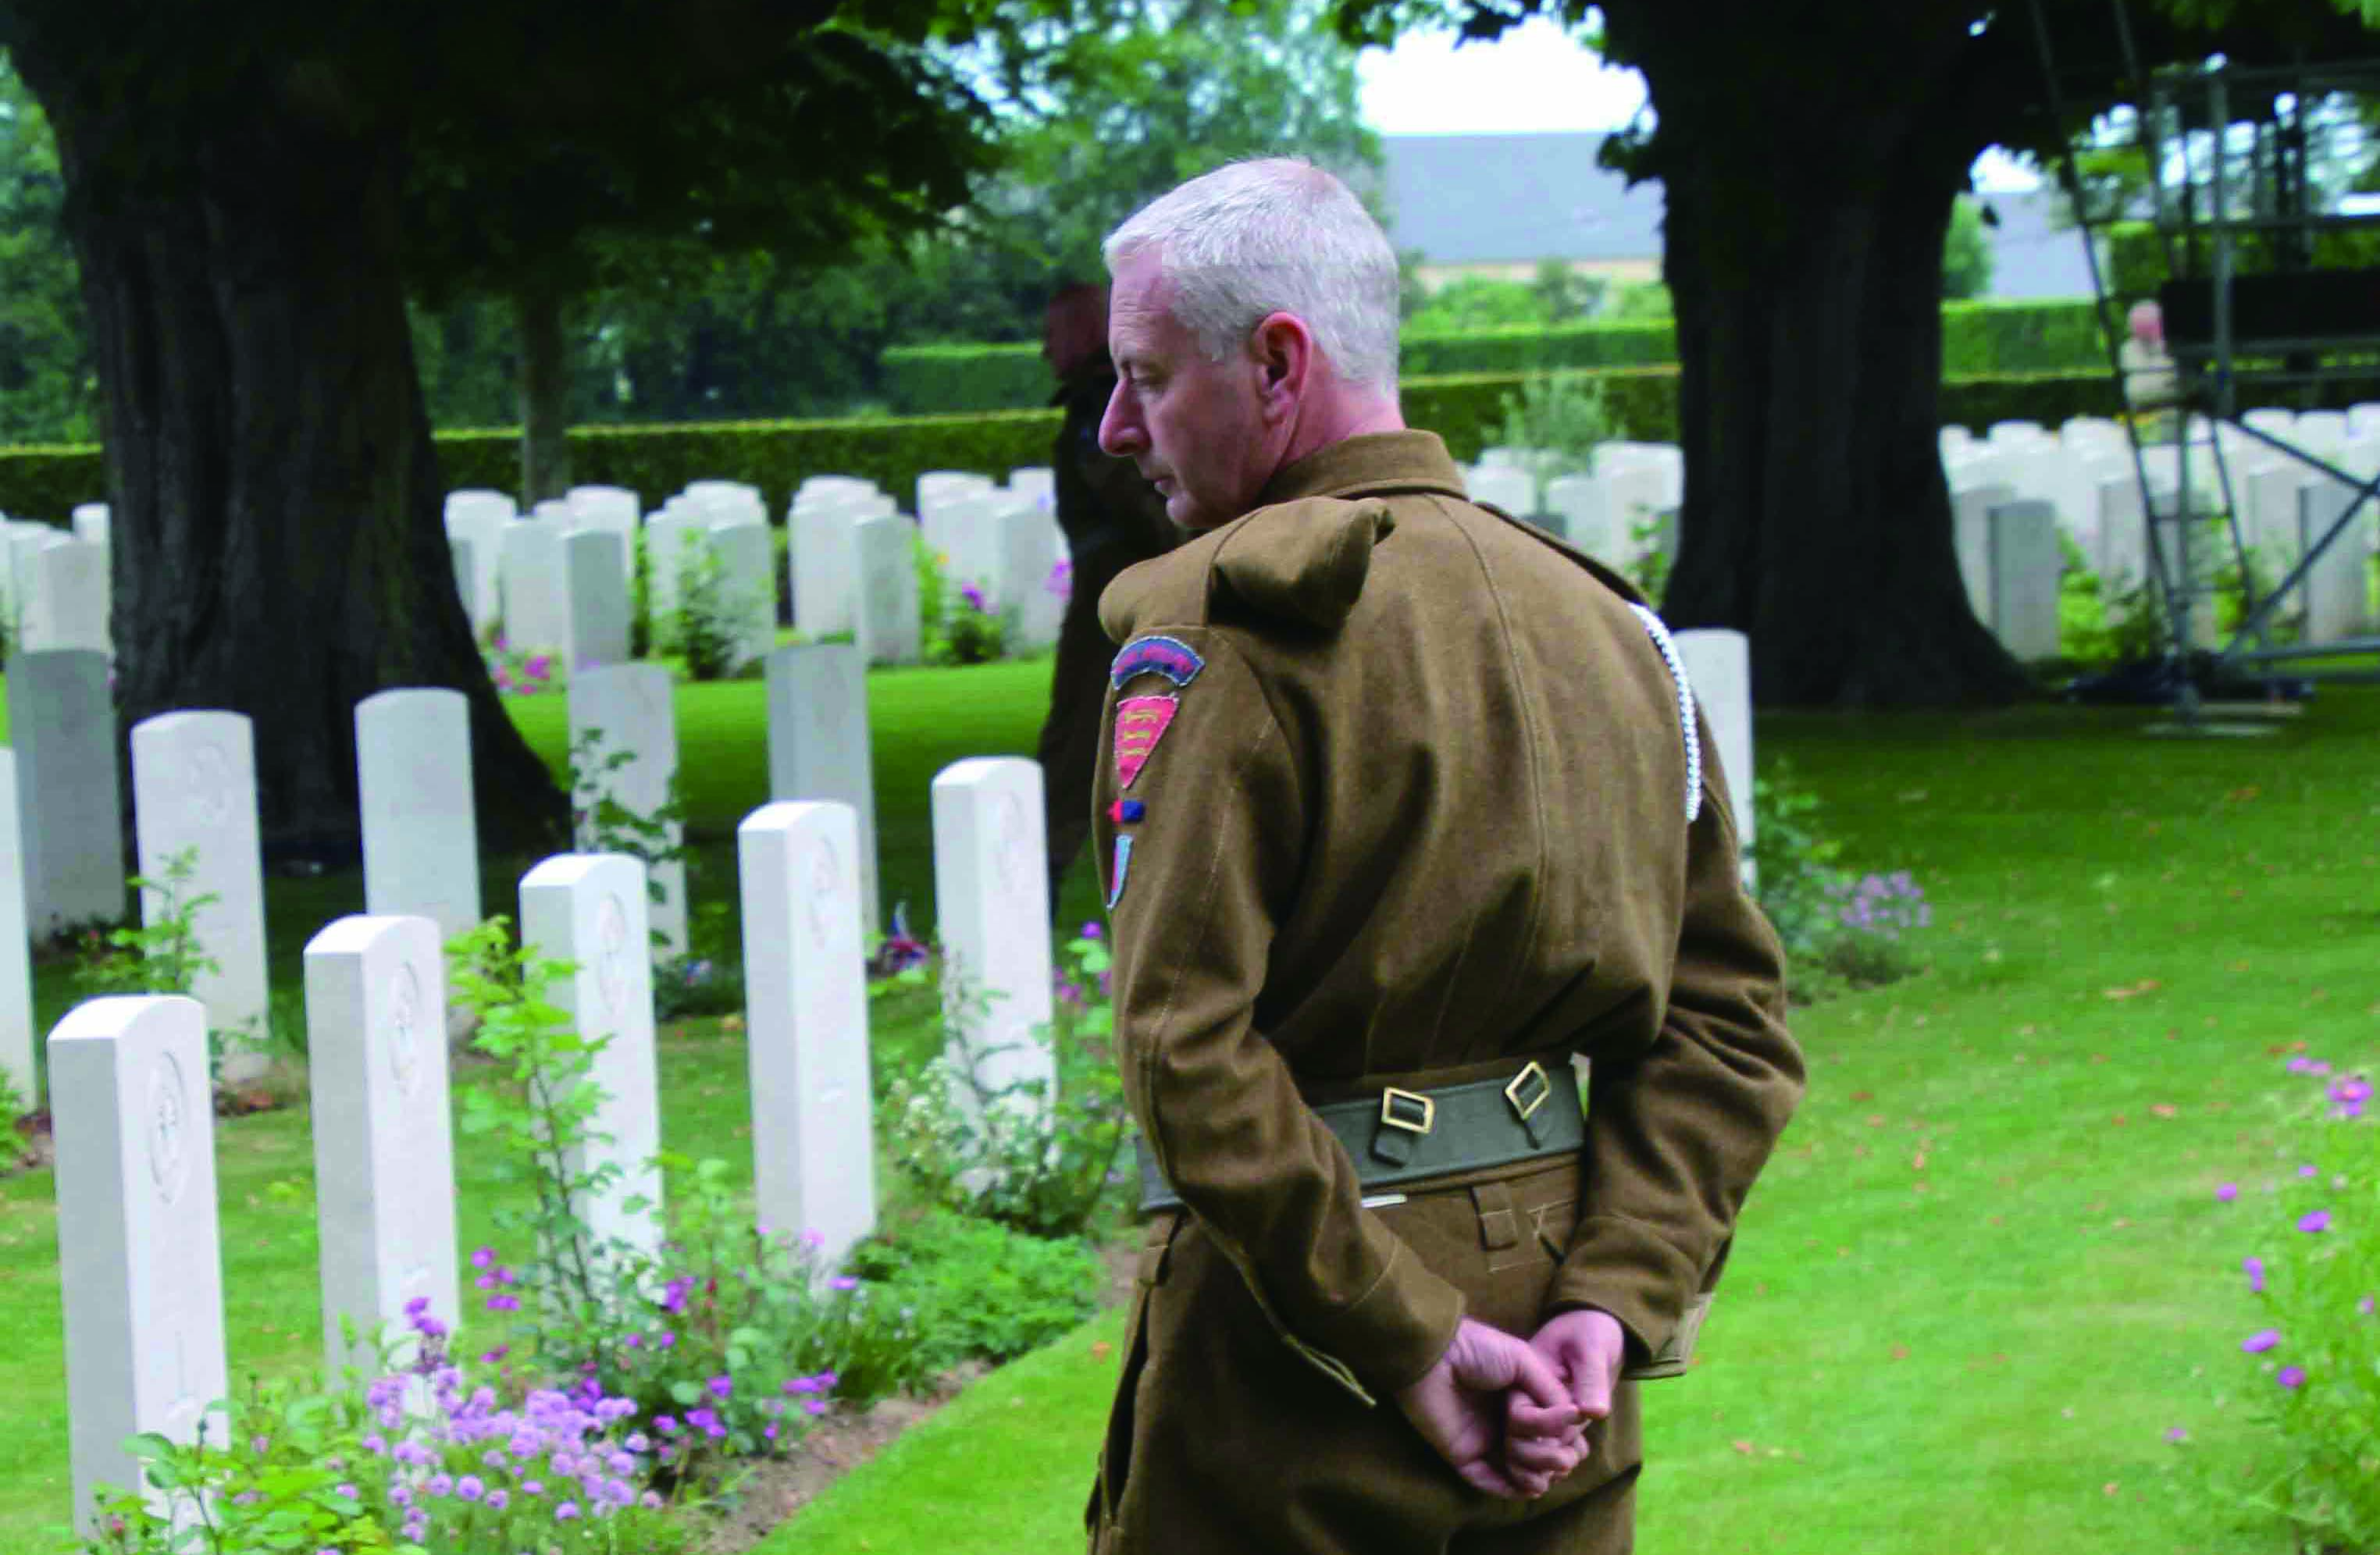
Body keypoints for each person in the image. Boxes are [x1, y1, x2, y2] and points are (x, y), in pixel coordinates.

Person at [1078, 158, 1805, 1555]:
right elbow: (1730, 1021)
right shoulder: (1609, 631)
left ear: (1277, 362)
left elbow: (1184, 1048)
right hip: (1561, 1368)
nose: (1116, 426)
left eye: (1147, 375)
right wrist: (1608, 1300)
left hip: (1294, 1354)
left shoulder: (1226, 628)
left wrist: (1405, 1337)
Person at [1035, 281, 1182, 917]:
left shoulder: (1101, 403)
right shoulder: (1109, 392)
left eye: (1052, 333)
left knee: (1078, 745)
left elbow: (1135, 499)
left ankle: (1040, 873)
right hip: (1121, 586)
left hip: (1117, 595)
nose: (1044, 350)